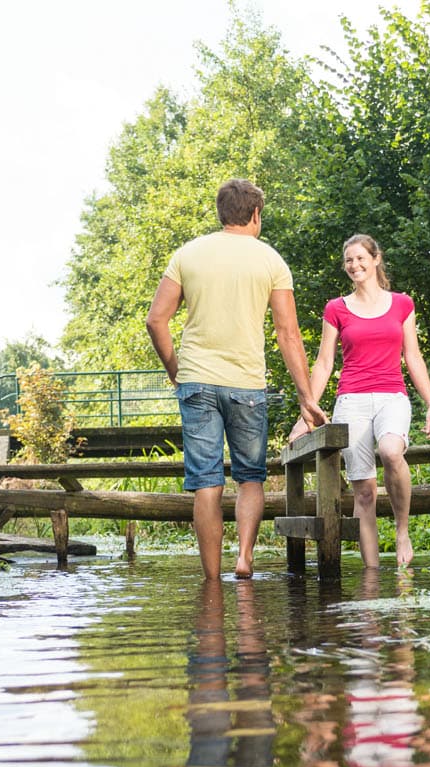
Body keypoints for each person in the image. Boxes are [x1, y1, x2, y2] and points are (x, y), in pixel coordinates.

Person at [147, 179, 325, 581]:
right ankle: (244, 558)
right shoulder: (270, 261)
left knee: (206, 482)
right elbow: (287, 333)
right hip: (246, 384)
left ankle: (212, 580)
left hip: (197, 382)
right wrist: (306, 396)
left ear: (221, 212)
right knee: (249, 477)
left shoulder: (187, 254)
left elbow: (156, 320)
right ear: (256, 214)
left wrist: (178, 372)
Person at [290, 234, 430, 568]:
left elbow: (412, 357)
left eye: (360, 259)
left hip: (392, 396)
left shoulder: (402, 304)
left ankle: (402, 530)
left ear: (375, 260)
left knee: (390, 451)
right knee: (364, 493)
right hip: (351, 400)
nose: (354, 266)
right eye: (348, 261)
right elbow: (325, 363)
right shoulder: (336, 308)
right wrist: (307, 412)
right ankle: (371, 580)